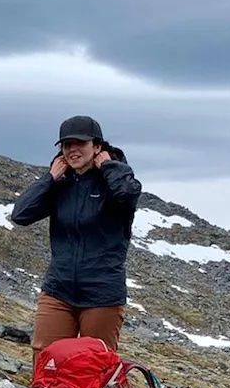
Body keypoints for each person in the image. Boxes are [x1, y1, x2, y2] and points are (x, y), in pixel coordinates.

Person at [10, 115, 142, 367]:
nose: (72, 150)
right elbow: (20, 215)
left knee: (96, 364)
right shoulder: (61, 184)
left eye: (79, 143)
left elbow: (126, 195)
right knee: (46, 359)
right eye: (66, 145)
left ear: (97, 146)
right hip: (58, 290)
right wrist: (49, 179)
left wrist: (109, 167)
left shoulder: (116, 181)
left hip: (102, 293)